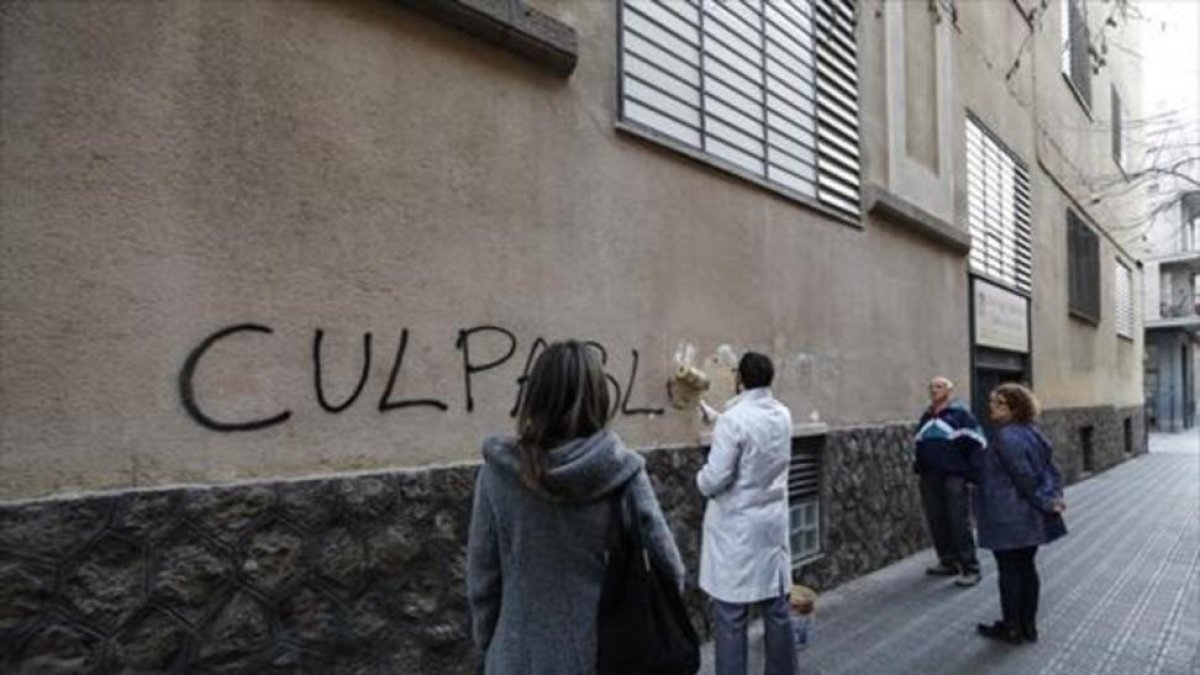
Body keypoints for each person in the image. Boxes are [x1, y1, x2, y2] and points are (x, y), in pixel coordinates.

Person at [467, 340, 685, 674]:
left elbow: (483, 581)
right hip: (603, 654)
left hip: (516, 655)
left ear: (535, 395)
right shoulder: (622, 473)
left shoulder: (497, 474)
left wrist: (493, 645)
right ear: (599, 396)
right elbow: (669, 569)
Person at [697, 352, 796, 675]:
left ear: (739, 378)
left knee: (731, 615)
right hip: (771, 521)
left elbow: (716, 477)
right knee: (777, 606)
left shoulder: (734, 420)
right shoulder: (782, 414)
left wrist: (700, 479)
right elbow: (754, 437)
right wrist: (715, 417)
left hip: (737, 527)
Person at [975, 383, 1067, 645]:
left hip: (1010, 516)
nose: (991, 406)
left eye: (999, 403)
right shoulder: (1032, 433)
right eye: (992, 401)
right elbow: (1051, 471)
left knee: (1010, 572)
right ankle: (1028, 626)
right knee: (1026, 569)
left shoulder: (1007, 437)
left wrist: (1047, 502)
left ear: (1015, 407)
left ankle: (1012, 627)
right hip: (1027, 518)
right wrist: (1053, 498)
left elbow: (1024, 478)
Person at [913, 376, 987, 586]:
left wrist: (971, 474)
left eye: (939, 386)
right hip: (929, 476)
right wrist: (919, 467)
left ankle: (971, 567)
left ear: (949, 391)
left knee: (958, 522)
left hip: (954, 475)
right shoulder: (926, 416)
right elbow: (919, 443)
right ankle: (948, 562)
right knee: (937, 519)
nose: (934, 390)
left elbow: (978, 442)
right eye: (932, 387)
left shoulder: (961, 415)